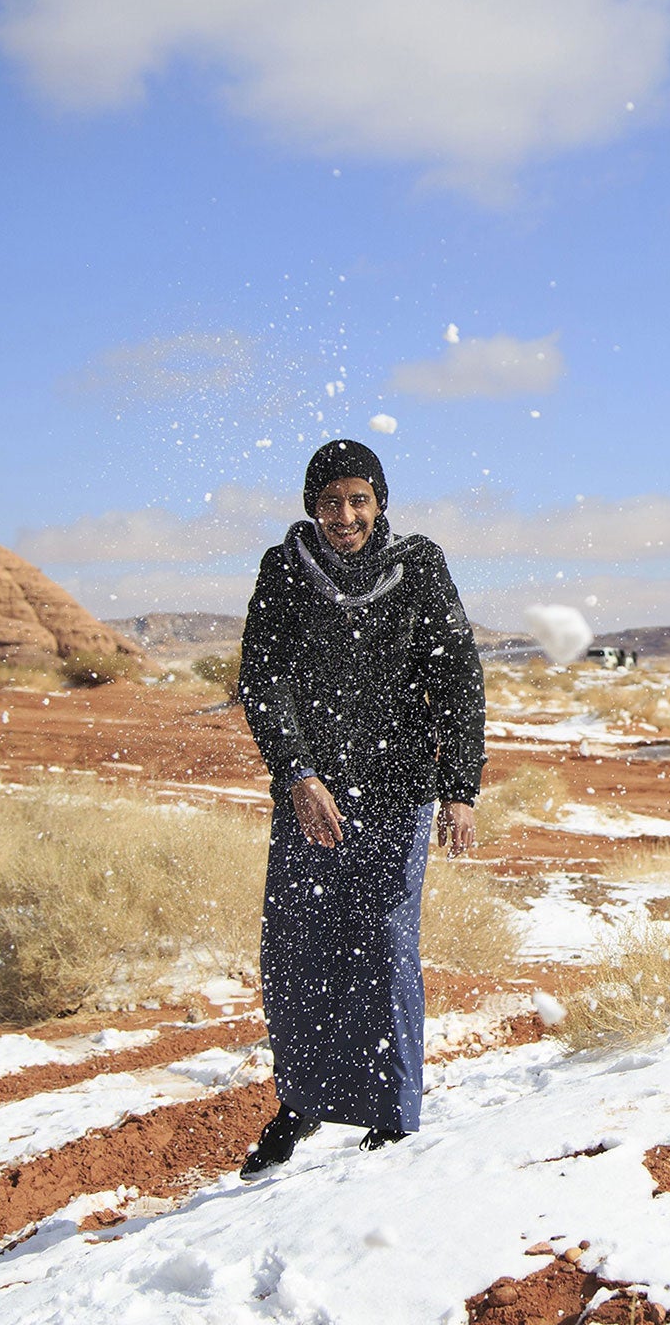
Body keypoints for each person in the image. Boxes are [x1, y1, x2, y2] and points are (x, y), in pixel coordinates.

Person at [235, 438, 487, 1178]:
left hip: (398, 787)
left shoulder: (419, 565)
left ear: (379, 504)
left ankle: (391, 1116)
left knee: (381, 945)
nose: (344, 515)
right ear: (310, 505)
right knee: (297, 949)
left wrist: (460, 787)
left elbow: (458, 675)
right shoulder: (285, 569)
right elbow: (263, 677)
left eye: (358, 499)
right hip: (315, 794)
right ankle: (303, 1100)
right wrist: (297, 774)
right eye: (330, 500)